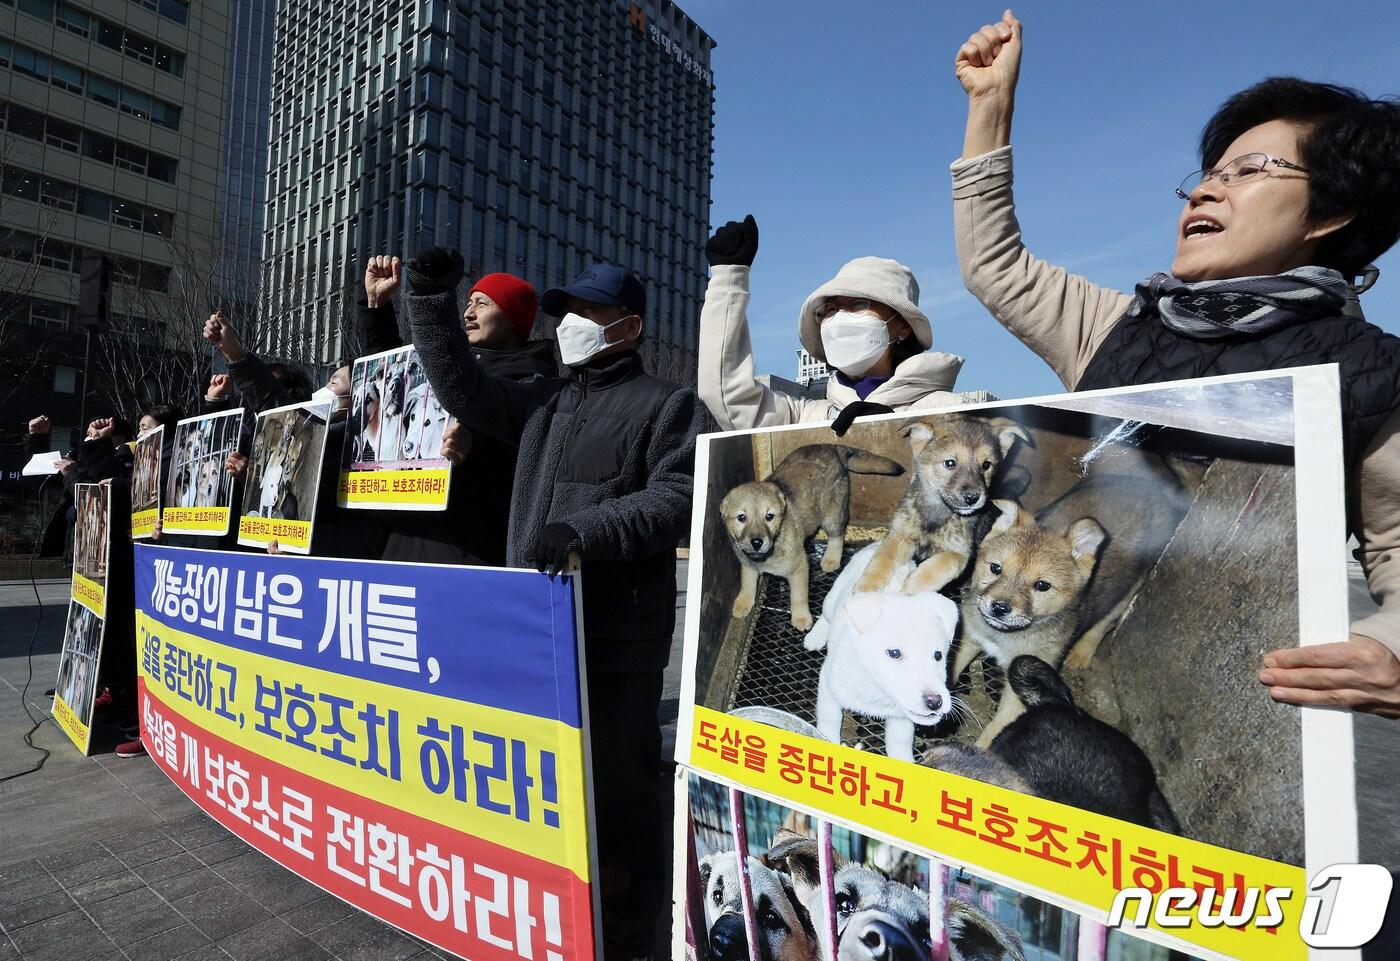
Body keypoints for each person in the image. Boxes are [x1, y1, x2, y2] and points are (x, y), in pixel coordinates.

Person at [950, 10, 1400, 719]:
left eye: (1250, 171)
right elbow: (995, 268)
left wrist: (1386, 648)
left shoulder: (1370, 371)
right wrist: (989, 106)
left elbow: (1395, 545)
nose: (1205, 190)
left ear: (1331, 213)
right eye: (1207, 175)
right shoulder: (1117, 325)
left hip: (1244, 692)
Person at [406, 249, 703, 961]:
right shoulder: (543, 398)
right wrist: (426, 296)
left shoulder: (668, 403)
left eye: (588, 312)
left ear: (627, 327)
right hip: (537, 638)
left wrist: (586, 531)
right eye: (565, 310)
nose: (569, 323)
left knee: (621, 805)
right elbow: (458, 384)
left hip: (615, 645)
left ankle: (627, 939)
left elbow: (678, 498)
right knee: (544, 799)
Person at [699, 214, 992, 435]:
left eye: (857, 305)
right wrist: (728, 279)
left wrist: (894, 432)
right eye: (830, 309)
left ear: (902, 326)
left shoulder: (954, 413)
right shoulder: (806, 417)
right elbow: (728, 395)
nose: (839, 318)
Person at [357, 254, 557, 564]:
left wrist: (474, 445)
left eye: (483, 304)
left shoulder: (534, 386)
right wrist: (377, 306)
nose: (469, 313)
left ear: (513, 318)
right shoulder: (450, 368)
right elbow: (393, 381)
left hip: (467, 555)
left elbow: (515, 455)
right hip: (404, 543)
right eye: (468, 303)